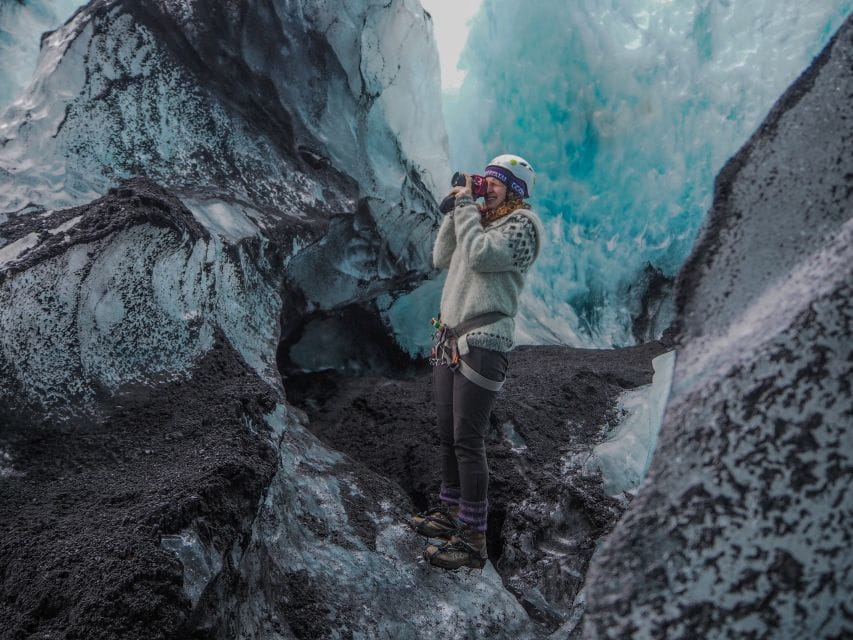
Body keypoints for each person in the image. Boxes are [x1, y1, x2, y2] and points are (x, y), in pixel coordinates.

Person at [410, 154, 545, 570]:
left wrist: (468, 206)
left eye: (495, 182)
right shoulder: (480, 220)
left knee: (469, 441)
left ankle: (473, 540)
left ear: (515, 189)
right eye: (484, 179)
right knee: (449, 435)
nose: (486, 185)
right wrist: (456, 209)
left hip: (485, 343)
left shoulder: (524, 226)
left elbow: (484, 256)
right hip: (451, 339)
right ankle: (450, 512)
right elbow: (443, 255)